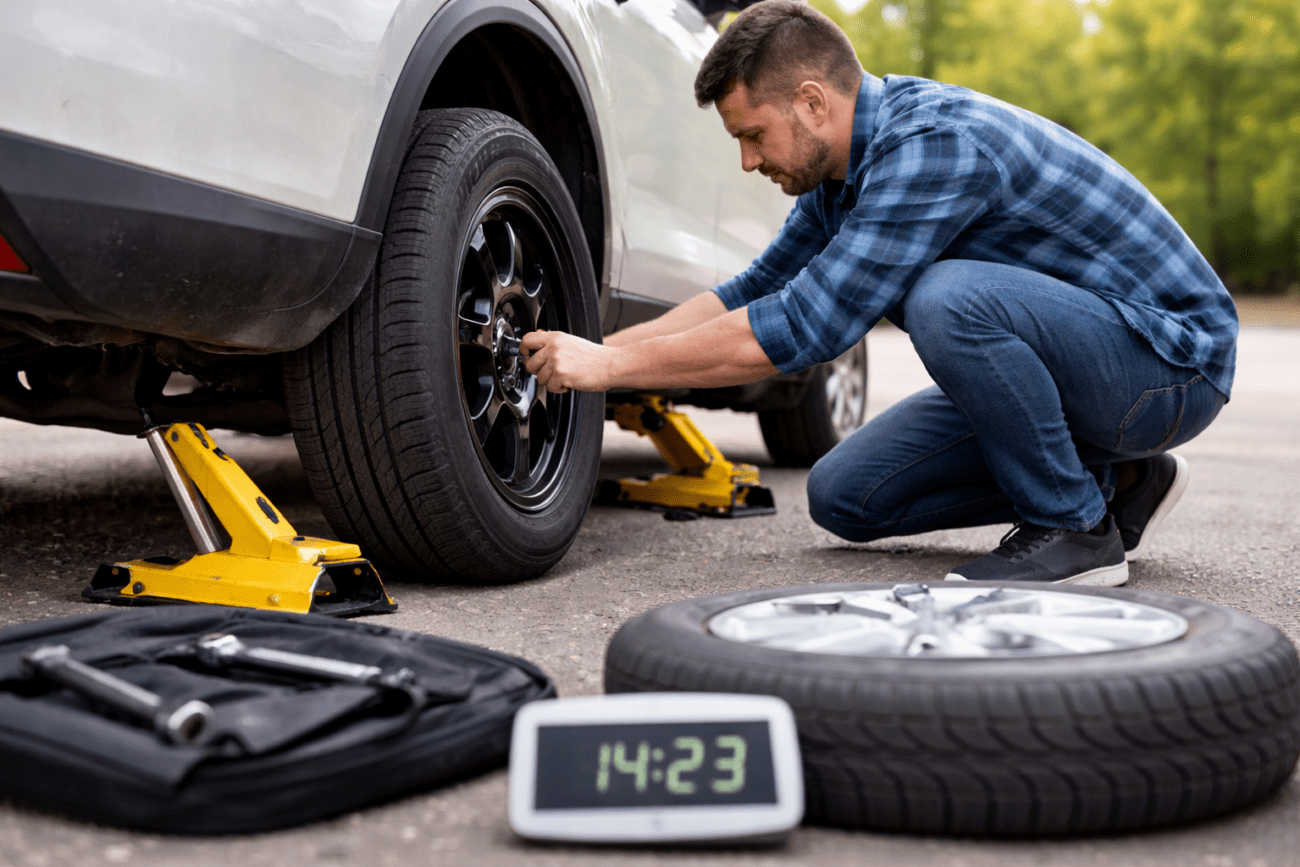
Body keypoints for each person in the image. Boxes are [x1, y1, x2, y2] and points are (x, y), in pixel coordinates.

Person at [521, 0, 1237, 586]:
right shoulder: (842, 171)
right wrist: (595, 353)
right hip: (1094, 371)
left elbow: (805, 326)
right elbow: (756, 288)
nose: (746, 161)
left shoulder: (933, 145)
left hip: (1169, 366)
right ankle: (1126, 479)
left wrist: (610, 373)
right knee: (846, 497)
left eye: (753, 135)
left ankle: (1075, 528)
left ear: (811, 102)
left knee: (948, 298)